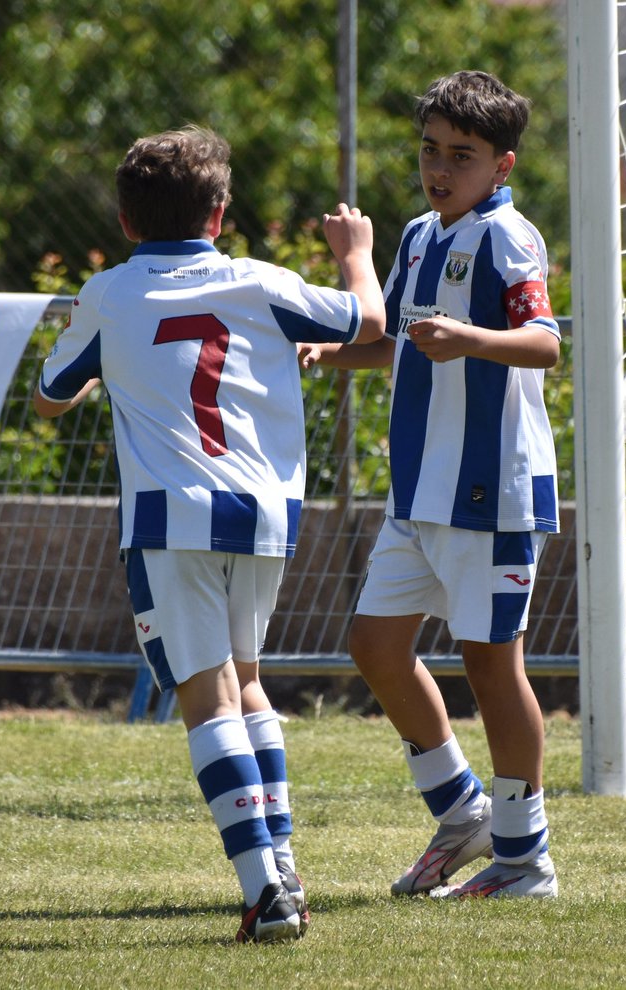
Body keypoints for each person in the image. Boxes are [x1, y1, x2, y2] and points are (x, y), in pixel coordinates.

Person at [32, 125, 386, 941]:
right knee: (245, 681)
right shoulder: (260, 280)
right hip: (263, 511)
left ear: (126, 220)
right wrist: (357, 252)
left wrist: (102, 376)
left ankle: (265, 892)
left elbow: (50, 397)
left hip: (173, 514)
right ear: (219, 216)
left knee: (205, 695)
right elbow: (368, 319)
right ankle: (282, 862)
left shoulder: (108, 294)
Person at [300, 70, 561, 899]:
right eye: (430, 150)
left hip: (490, 491)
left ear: (502, 165)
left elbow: (545, 341)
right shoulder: (418, 235)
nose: (440, 168)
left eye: (462, 155)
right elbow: (402, 342)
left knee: (492, 669)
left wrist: (473, 337)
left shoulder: (507, 236)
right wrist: (332, 353)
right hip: (418, 492)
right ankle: (461, 812)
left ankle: (524, 859)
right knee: (375, 648)